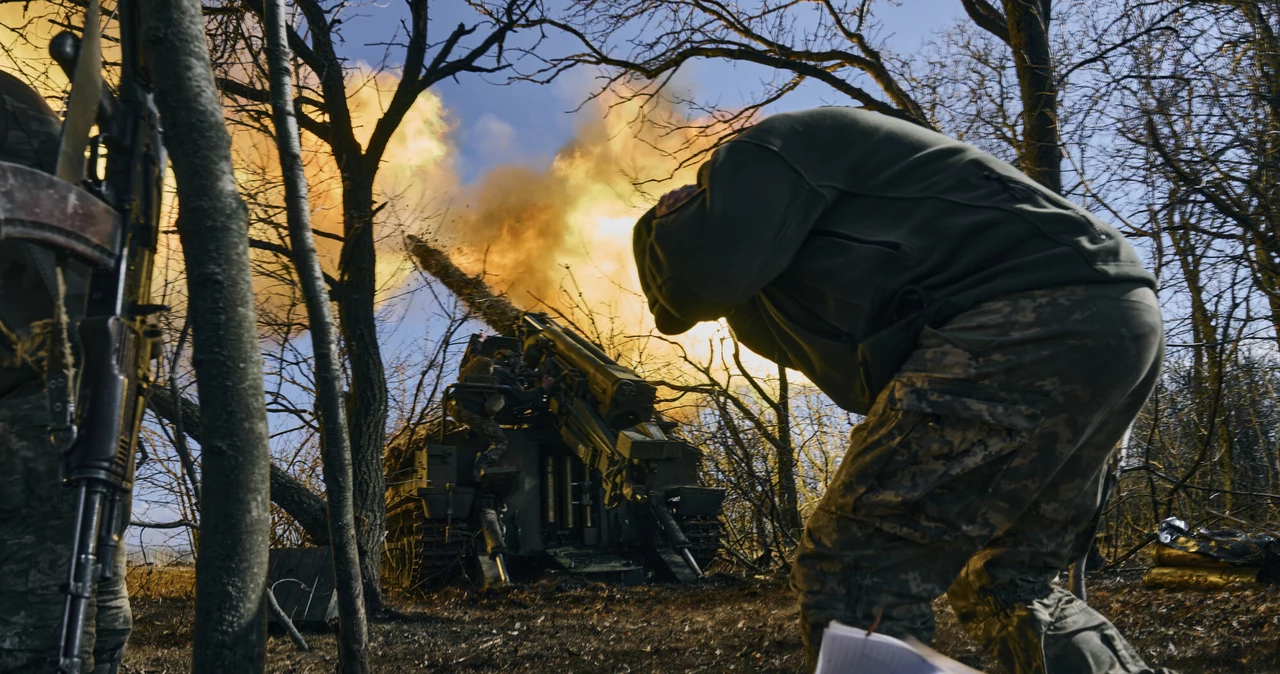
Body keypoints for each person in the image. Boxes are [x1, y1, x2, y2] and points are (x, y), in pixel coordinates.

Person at [631, 106, 1173, 674]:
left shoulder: (759, 153)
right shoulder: (824, 234)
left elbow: (704, 281)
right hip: (1114, 319)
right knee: (1004, 581)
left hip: (1029, 316)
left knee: (855, 569)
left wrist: (655, 228)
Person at [0, 70, 132, 673]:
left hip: (45, 409)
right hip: (53, 403)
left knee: (54, 636)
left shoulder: (10, 108)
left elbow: (70, 254)